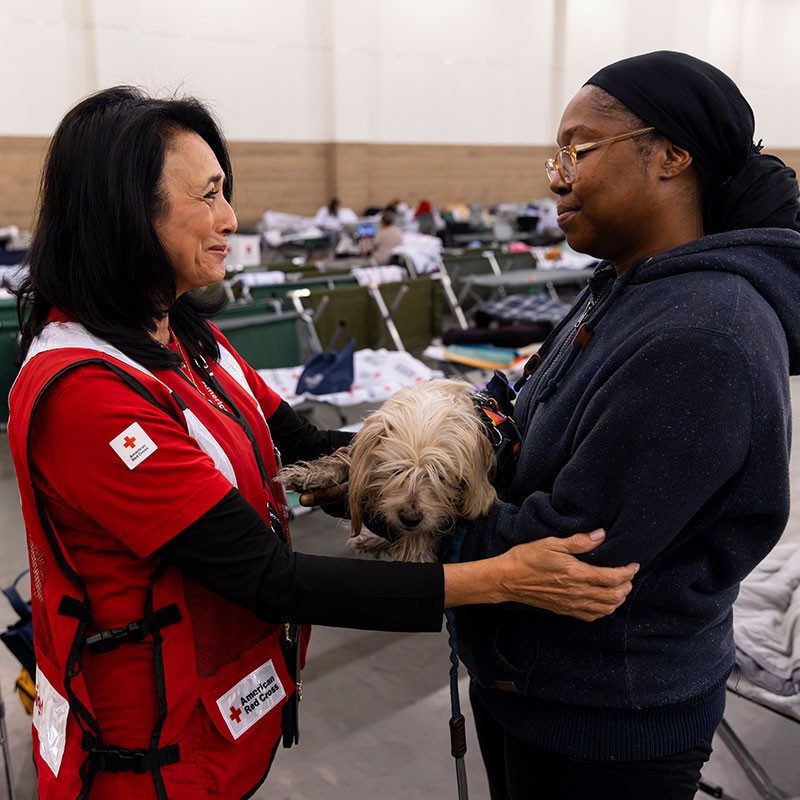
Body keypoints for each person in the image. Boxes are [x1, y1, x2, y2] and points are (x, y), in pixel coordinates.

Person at [8, 87, 638, 800]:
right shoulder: (87, 395)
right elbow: (270, 578)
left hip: (221, 721)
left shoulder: (184, 335)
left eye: (227, 192)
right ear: (125, 214)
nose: (230, 219)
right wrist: (500, 577)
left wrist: (433, 455)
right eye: (209, 195)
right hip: (143, 752)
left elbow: (305, 439)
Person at [447, 51, 800, 800]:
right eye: (556, 154)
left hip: (602, 719)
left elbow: (575, 547)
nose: (555, 175)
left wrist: (410, 514)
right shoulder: (625, 287)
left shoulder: (703, 334)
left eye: (578, 149)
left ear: (673, 154)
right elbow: (526, 405)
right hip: (534, 684)